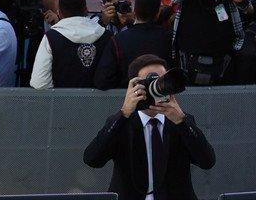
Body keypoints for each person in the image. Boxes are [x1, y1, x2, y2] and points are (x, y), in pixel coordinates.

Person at [83, 54, 215, 200]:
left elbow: (207, 161)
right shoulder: (122, 123)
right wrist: (124, 114)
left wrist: (181, 122)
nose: (158, 86)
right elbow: (92, 159)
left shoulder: (181, 121)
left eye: (162, 80)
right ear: (133, 87)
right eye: (150, 81)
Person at [30, 0, 111, 89]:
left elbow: (40, 83)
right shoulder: (107, 36)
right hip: (100, 103)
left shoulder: (51, 38)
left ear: (59, 12)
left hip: (62, 102)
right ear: (86, 10)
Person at [95, 0, 174, 90]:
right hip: (162, 98)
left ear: (134, 10)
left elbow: (102, 80)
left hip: (128, 97)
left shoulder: (118, 40)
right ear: (158, 12)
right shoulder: (169, 39)